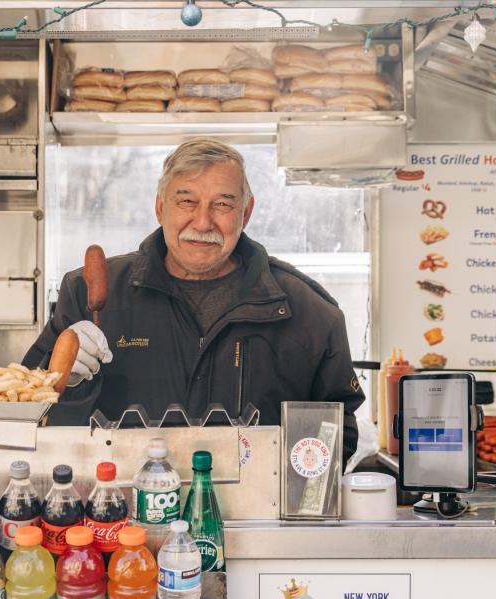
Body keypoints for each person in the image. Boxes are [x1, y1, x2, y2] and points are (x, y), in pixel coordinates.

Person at [23, 138, 365, 459]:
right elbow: (28, 418)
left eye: (223, 204)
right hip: (118, 514)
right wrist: (65, 384)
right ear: (160, 208)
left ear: (246, 213)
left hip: (254, 513)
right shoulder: (86, 293)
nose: (202, 222)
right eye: (186, 201)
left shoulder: (310, 314)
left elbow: (336, 436)